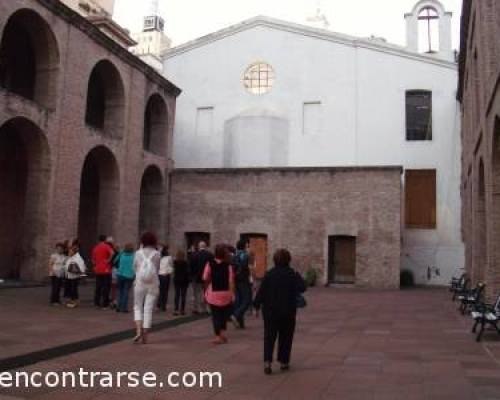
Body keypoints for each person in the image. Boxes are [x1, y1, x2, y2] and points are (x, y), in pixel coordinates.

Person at [254, 249, 306, 375]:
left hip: (270, 311)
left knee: (269, 336)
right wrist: (298, 274)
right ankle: (284, 362)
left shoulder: (269, 274)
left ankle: (267, 362)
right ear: (289, 260)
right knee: (286, 336)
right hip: (288, 311)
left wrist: (256, 306)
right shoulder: (292, 274)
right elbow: (303, 287)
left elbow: (261, 292)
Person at [203, 244, 235, 345]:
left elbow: (205, 278)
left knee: (216, 315)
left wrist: (205, 290)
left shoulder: (209, 264)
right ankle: (222, 334)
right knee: (223, 315)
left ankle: (218, 336)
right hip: (225, 293)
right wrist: (232, 293)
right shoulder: (228, 266)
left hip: (214, 292)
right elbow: (231, 281)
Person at [133, 232, 161, 344]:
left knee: (137, 306)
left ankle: (138, 330)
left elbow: (134, 267)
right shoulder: (157, 254)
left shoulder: (138, 253)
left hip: (140, 282)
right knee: (148, 309)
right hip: (153, 283)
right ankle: (145, 336)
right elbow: (157, 269)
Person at [231, 239, 253, 328]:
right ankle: (236, 315)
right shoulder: (245, 255)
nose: (248, 247)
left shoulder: (234, 255)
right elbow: (245, 267)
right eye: (247, 246)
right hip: (243, 279)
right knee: (247, 299)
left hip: (235, 279)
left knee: (239, 300)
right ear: (244, 246)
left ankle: (240, 323)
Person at [190, 241, 213, 314]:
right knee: (207, 292)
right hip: (207, 277)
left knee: (197, 293)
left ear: (199, 247)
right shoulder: (210, 255)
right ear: (205, 246)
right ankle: (207, 308)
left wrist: (192, 276)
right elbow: (212, 266)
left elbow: (191, 267)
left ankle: (199, 308)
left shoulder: (194, 255)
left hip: (197, 277)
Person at [92, 235, 114, 309]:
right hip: (106, 269)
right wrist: (108, 260)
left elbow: (93, 260)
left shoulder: (96, 247)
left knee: (98, 287)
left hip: (98, 270)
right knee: (106, 287)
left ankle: (97, 303)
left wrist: (96, 265)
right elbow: (112, 253)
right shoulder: (106, 246)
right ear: (105, 240)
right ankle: (105, 304)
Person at [64, 240, 86, 308]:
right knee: (70, 288)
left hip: (74, 276)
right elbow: (65, 264)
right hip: (69, 276)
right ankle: (71, 300)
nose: (69, 253)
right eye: (69, 252)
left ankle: (75, 301)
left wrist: (81, 273)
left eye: (71, 252)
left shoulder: (77, 257)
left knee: (74, 288)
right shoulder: (69, 257)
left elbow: (80, 265)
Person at [116, 243, 135, 313]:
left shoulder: (121, 254)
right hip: (129, 275)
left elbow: (115, 261)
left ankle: (118, 306)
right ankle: (124, 308)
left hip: (120, 274)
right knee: (126, 292)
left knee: (120, 291)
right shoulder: (134, 256)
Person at [173, 250, 190, 316]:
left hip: (177, 280)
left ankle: (176, 310)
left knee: (177, 295)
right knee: (183, 296)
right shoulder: (185, 263)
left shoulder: (175, 262)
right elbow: (187, 272)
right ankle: (182, 310)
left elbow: (174, 270)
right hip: (184, 281)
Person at [157, 245, 173, 312]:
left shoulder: (159, 257)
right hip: (166, 275)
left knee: (161, 290)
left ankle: (159, 303)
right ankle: (163, 305)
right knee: (165, 291)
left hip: (160, 274)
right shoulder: (169, 257)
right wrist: (170, 271)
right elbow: (171, 266)